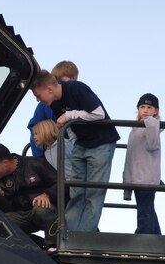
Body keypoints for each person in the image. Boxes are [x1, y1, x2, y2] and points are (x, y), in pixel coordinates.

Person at [30, 70, 120, 232]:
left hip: (101, 143)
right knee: (75, 189)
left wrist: (69, 115)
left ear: (49, 89)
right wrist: (74, 141)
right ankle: (70, 232)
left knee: (93, 191)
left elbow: (98, 113)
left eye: (38, 95)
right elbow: (68, 129)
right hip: (81, 144)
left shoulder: (75, 88)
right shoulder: (54, 103)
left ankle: (85, 234)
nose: (38, 100)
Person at [0, 143, 59, 245]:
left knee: (41, 208)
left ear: (5, 162)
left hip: (46, 210)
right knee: (2, 221)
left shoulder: (35, 164)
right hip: (22, 215)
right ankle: (36, 244)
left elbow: (59, 183)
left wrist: (47, 194)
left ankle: (53, 244)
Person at [123, 93, 162, 234]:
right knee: (147, 209)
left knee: (145, 211)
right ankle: (158, 238)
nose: (145, 110)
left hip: (147, 179)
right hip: (135, 177)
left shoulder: (153, 126)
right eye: (142, 107)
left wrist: (151, 123)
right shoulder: (134, 129)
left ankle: (143, 238)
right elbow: (130, 157)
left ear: (155, 110)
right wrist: (126, 182)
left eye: (149, 107)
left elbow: (152, 144)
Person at [26, 61, 78, 157]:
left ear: (74, 78)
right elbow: (34, 129)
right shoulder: (44, 104)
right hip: (54, 152)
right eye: (57, 82)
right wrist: (40, 161)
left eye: (62, 81)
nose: (60, 84)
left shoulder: (81, 96)